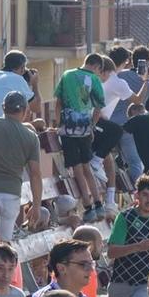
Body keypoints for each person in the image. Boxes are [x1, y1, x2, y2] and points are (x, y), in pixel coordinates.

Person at [0, 91, 44, 240]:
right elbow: (35, 174)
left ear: (3, 108)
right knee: (3, 246)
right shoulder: (31, 137)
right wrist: (36, 206)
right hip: (10, 195)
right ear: (25, 111)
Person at [54, 54, 108, 221]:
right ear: (97, 67)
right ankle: (98, 204)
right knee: (87, 166)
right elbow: (99, 107)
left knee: (77, 167)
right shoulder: (94, 79)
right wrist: (91, 125)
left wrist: (58, 124)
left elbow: (58, 102)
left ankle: (87, 205)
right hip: (84, 128)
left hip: (68, 129)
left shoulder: (67, 75)